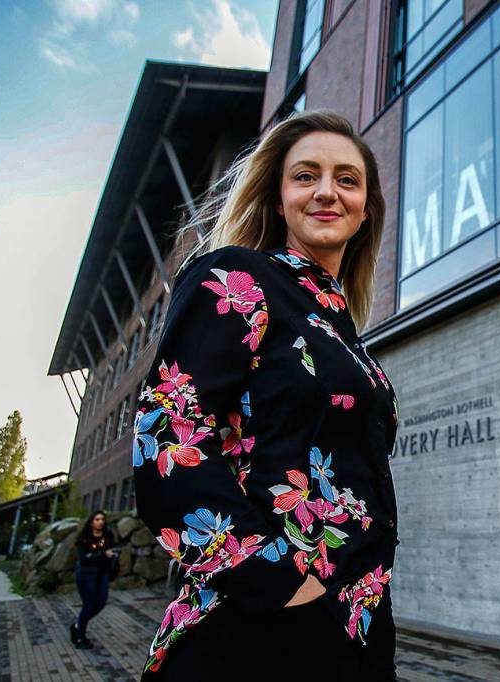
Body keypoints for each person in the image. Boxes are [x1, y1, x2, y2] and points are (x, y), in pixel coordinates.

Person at [132, 109, 399, 680]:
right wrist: (277, 582)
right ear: (279, 200)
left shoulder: (345, 335)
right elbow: (167, 428)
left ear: (365, 210)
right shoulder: (237, 279)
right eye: (306, 176)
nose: (327, 191)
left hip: (355, 629)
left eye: (347, 180)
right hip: (258, 627)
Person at [70, 510, 118, 649]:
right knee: (89, 604)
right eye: (97, 519)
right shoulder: (84, 538)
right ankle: (80, 637)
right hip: (86, 575)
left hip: (102, 574)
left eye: (102, 519)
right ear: (91, 522)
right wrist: (104, 555)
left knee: (101, 602)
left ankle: (78, 625)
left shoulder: (108, 536)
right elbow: (84, 558)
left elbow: (113, 550)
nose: (100, 521)